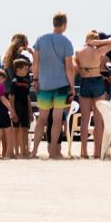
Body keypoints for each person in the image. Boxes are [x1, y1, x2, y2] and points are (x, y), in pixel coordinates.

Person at [32, 12, 76, 159]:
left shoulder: (41, 39)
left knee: (41, 119)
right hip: (61, 85)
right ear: (64, 24)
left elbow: (35, 62)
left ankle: (34, 151)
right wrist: (72, 87)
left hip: (44, 84)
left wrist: (35, 80)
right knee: (57, 119)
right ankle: (52, 153)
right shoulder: (67, 42)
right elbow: (69, 68)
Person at [74, 30, 111, 159]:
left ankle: (84, 151)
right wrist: (99, 43)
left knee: (85, 119)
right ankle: (97, 151)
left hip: (85, 81)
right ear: (95, 40)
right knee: (98, 119)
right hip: (97, 81)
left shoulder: (78, 52)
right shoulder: (99, 51)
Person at [9, 59, 34, 158]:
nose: (27, 70)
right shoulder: (14, 82)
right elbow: (11, 97)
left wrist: (30, 112)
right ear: (18, 70)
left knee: (25, 129)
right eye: (25, 69)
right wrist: (13, 111)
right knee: (15, 130)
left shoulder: (27, 81)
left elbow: (28, 98)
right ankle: (16, 151)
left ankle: (25, 150)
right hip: (17, 108)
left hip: (24, 108)